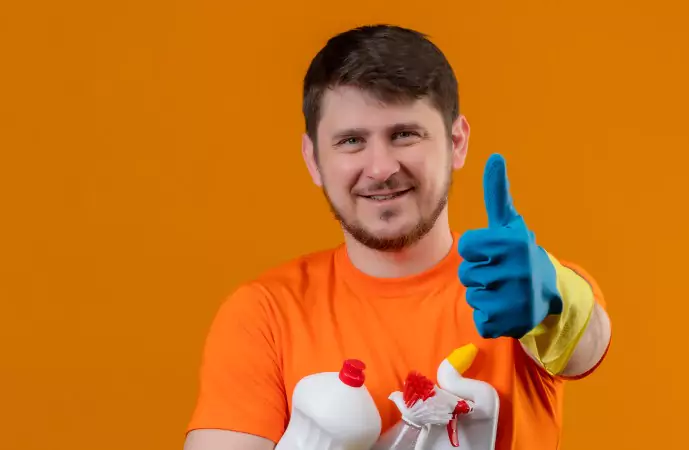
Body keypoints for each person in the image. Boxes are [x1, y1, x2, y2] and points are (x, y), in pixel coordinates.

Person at [183, 24, 612, 450]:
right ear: (314, 159)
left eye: (405, 134)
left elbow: (588, 344)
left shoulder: (515, 286)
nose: (381, 167)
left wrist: (556, 301)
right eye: (352, 141)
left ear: (456, 141)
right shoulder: (265, 315)